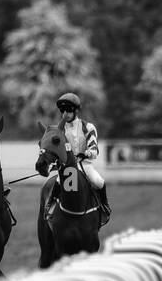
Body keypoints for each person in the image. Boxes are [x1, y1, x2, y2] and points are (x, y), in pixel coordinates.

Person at [38, 92, 110, 225]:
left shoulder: (88, 127)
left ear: (76, 110)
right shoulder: (59, 131)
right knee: (58, 182)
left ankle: (104, 206)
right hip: (67, 168)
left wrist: (86, 154)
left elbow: (94, 149)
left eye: (69, 110)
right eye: (63, 110)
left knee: (99, 181)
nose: (66, 113)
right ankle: (50, 206)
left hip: (85, 165)